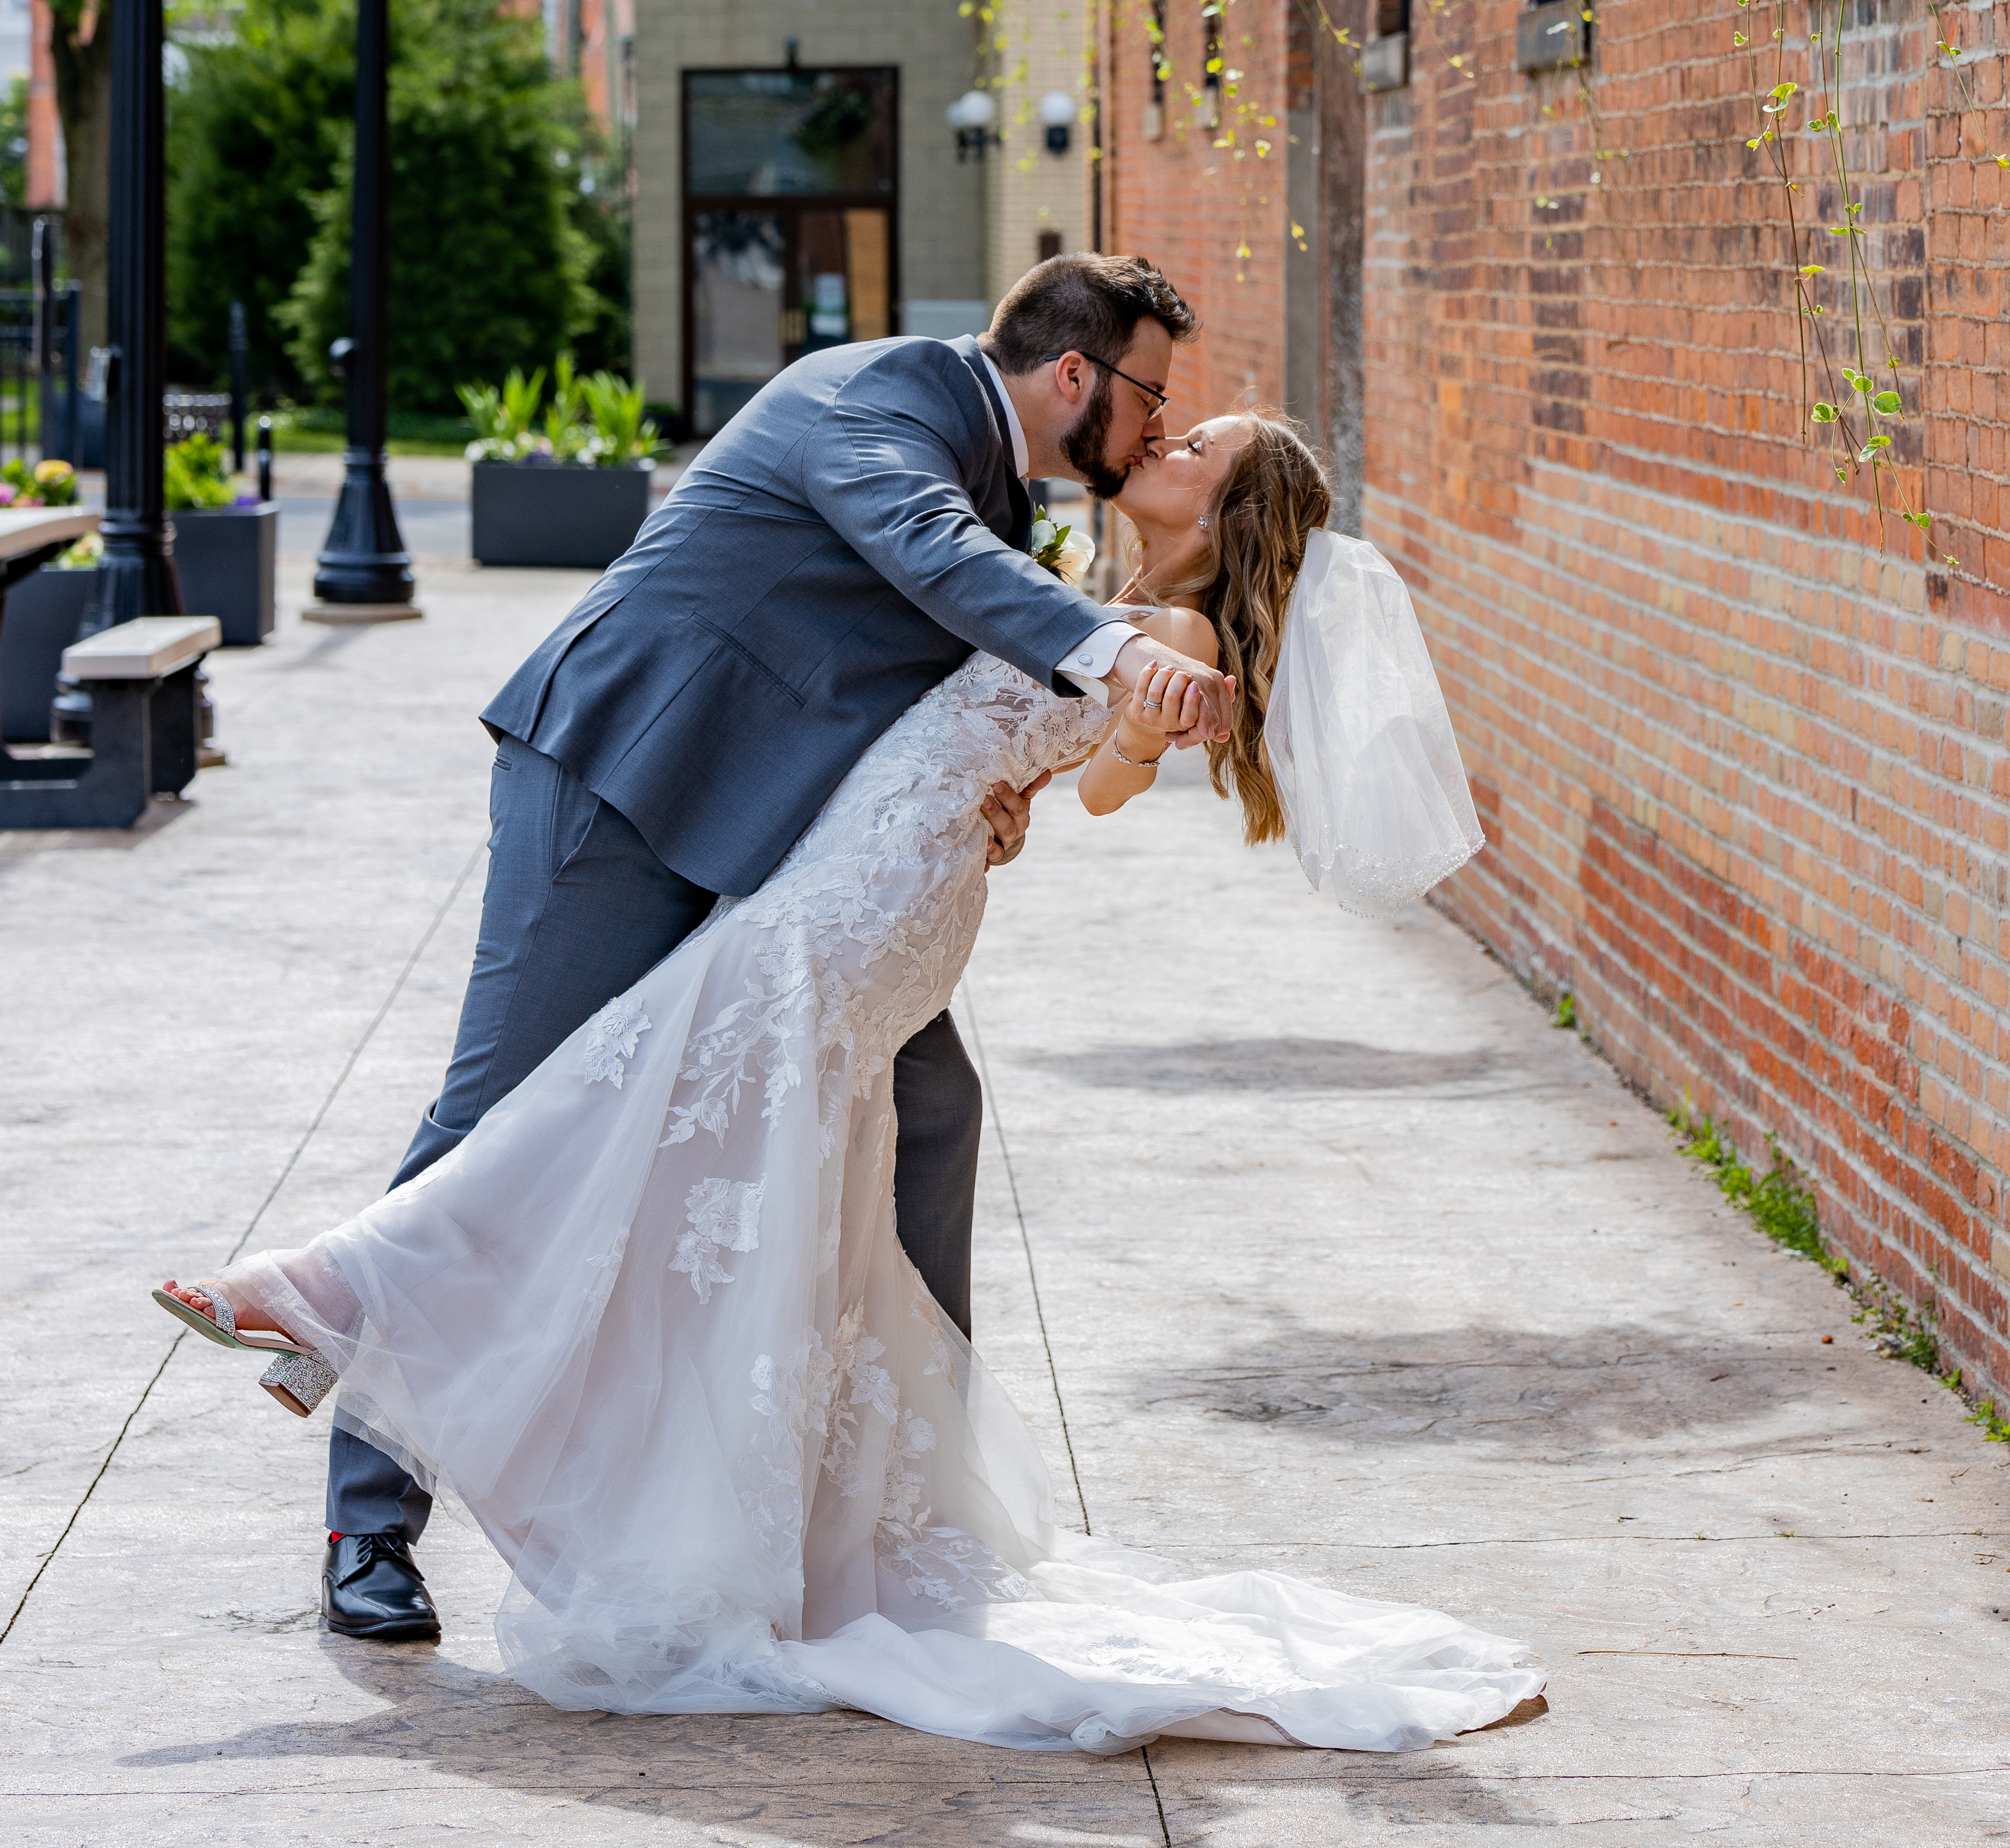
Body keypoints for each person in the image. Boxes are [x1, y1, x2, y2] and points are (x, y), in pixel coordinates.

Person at [157, 407, 1528, 1754]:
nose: (1163, 446)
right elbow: (1032, 734)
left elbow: (1108, 774)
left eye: (1194, 453)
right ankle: (431, 1357)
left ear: (1227, 517)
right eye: (1166, 428)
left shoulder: (1175, 633)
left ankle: (332, 1294)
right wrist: (1026, 787)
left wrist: (1120, 738)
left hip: (863, 912)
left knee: (611, 1108)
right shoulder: (1089, 583)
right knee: (692, 1157)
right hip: (865, 878)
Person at [296, 253, 1236, 1642]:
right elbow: (925, 550)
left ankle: (906, 1503)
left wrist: (1004, 787)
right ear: (1076, 376)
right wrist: (1111, 656)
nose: (1159, 430)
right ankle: (364, 1505)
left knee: (932, 1108)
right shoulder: (885, 399)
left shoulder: (1001, 485)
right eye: (1152, 395)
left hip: (786, 860)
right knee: (502, 1114)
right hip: (628, 779)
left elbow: (934, 661)